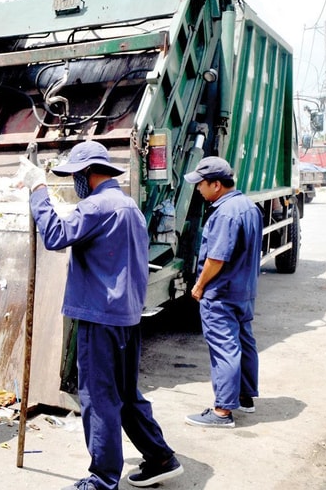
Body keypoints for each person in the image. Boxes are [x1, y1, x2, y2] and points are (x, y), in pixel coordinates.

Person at [18, 141, 183, 490]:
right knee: (126, 395)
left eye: (76, 176)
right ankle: (160, 457)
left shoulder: (96, 207)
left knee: (99, 397)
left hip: (100, 316)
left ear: (89, 175)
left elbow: (55, 235)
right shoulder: (128, 206)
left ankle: (102, 478)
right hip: (127, 315)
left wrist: (38, 190)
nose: (75, 183)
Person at [183, 156, 262, 428]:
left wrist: (199, 285)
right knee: (244, 342)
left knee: (224, 348)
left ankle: (222, 412)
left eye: (201, 184)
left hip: (222, 293)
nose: (198, 189)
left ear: (216, 185)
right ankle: (245, 398)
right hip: (244, 290)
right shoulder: (249, 207)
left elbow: (216, 259)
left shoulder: (225, 213)